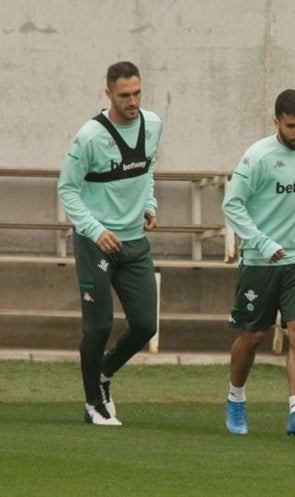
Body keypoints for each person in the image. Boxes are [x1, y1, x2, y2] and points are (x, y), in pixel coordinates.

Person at [57, 61, 163, 426]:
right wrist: (95, 228)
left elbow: (147, 169)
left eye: (137, 93)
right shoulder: (89, 136)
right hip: (96, 243)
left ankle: (102, 375)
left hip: (135, 243)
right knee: (99, 326)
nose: (132, 101)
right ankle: (92, 404)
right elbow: (66, 189)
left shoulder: (153, 125)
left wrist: (149, 204)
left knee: (146, 325)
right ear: (108, 94)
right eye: (124, 95)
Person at [222, 89, 295, 436]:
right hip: (260, 261)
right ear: (276, 122)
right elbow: (231, 204)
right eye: (292, 126)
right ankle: (236, 398)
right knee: (253, 335)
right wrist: (262, 243)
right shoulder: (258, 156)